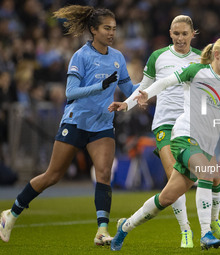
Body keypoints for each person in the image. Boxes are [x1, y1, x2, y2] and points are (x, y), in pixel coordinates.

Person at [108, 37, 220, 251]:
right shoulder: (196, 71)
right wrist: (144, 94)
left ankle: (125, 226)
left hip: (205, 146)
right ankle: (206, 232)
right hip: (183, 136)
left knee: (167, 197)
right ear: (217, 55)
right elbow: (166, 82)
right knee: (208, 173)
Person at [0, 5, 138, 246]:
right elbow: (70, 91)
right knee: (53, 175)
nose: (111, 33)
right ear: (93, 30)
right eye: (107, 28)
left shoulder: (118, 57)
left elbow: (129, 90)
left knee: (104, 174)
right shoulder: (80, 56)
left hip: (102, 124)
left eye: (114, 29)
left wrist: (154, 88)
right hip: (75, 121)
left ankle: (102, 230)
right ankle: (10, 214)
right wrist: (101, 86)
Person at [111, 15, 220, 248]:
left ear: (193, 33)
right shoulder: (158, 57)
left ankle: (213, 222)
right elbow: (145, 88)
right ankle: (186, 230)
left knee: (214, 175)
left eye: (185, 33)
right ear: (170, 33)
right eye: (176, 33)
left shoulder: (201, 59)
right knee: (173, 179)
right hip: (166, 124)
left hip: (194, 125)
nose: (180, 38)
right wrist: (128, 103)